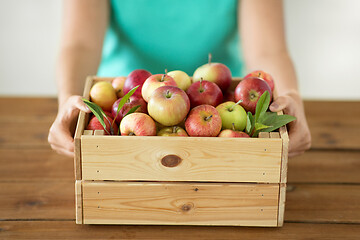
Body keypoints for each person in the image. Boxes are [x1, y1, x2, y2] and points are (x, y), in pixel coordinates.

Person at [48, 0, 311, 157]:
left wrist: (291, 97)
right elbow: (80, 44)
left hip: (222, 97)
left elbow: (268, 50)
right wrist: (68, 104)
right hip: (121, 98)